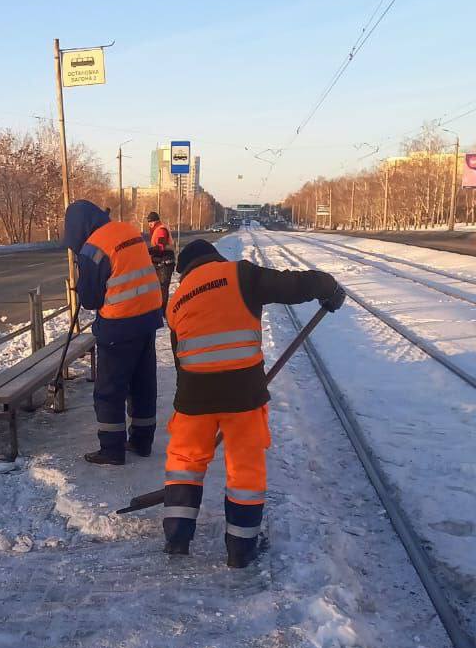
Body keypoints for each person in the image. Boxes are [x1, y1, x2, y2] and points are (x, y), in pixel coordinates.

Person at [163, 238, 345, 568]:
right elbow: (292, 285)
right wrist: (328, 286)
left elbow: (181, 362)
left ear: (185, 270)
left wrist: (197, 403)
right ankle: (240, 552)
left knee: (185, 463)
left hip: (192, 395)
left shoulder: (175, 301)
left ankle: (176, 540)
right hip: (242, 393)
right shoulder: (239, 275)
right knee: (244, 468)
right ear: (214, 257)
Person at [64, 200, 163, 465]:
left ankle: (112, 450)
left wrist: (82, 283)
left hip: (119, 325)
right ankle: (142, 442)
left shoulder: (93, 250)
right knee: (143, 384)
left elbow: (91, 300)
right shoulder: (128, 230)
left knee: (110, 390)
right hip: (149, 318)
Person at [146, 211, 176, 312]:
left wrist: (147, 251)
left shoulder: (161, 230)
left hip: (165, 262)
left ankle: (162, 311)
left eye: (151, 222)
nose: (149, 224)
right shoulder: (156, 230)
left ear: (156, 221)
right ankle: (158, 309)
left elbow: (160, 247)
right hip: (160, 261)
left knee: (162, 287)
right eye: (148, 222)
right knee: (158, 287)